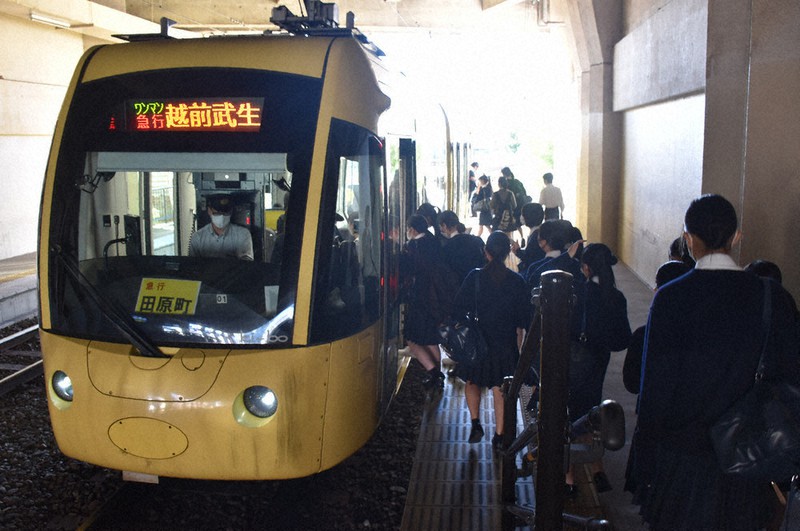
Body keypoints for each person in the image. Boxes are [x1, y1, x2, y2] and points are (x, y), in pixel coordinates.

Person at [631, 194, 800, 530]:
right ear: (737, 236)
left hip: (683, 459)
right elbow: (789, 379)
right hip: (751, 456)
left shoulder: (671, 297)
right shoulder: (773, 297)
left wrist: (646, 459)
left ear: (688, 239)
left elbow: (655, 391)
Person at [452, 232, 530, 448]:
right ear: (507, 253)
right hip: (504, 344)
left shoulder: (474, 277)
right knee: (500, 388)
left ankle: (476, 423)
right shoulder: (517, 281)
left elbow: (458, 308)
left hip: (477, 342)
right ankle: (500, 435)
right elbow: (523, 318)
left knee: (472, 382)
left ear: (486, 252)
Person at [565, 243, 632, 496]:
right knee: (592, 410)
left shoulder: (576, 293)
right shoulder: (615, 297)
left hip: (572, 361)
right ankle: (597, 469)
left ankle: (568, 477)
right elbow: (622, 340)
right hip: (597, 363)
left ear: (585, 267)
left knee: (568, 415)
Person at [400, 214, 453, 391]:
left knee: (411, 338)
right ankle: (436, 374)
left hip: (421, 298)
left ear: (413, 230)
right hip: (436, 298)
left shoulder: (414, 247)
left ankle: (433, 372)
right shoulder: (433, 241)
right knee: (431, 339)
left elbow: (409, 269)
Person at [622, 260, 691, 395]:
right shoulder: (704, 333)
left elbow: (632, 384)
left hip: (654, 409)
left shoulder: (645, 335)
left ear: (660, 291)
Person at [189, 194, 254, 260]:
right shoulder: (197, 238)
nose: (222, 217)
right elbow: (192, 266)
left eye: (225, 213)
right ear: (209, 211)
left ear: (231, 212)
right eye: (217, 213)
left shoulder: (242, 234)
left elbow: (246, 266)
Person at [438, 210, 486, 286]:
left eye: (440, 227)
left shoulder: (446, 248)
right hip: (477, 285)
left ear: (444, 226)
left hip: (458, 289)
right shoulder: (477, 241)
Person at [511, 202, 545, 272]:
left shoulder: (535, 236)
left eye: (523, 214)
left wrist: (518, 251)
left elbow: (529, 258)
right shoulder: (539, 232)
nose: (521, 217)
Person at [501, 167, 527, 240]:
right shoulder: (517, 182)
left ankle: (512, 241)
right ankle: (522, 237)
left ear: (504, 174)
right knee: (518, 224)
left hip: (511, 207)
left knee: (510, 226)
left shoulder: (506, 184)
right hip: (520, 206)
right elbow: (524, 193)